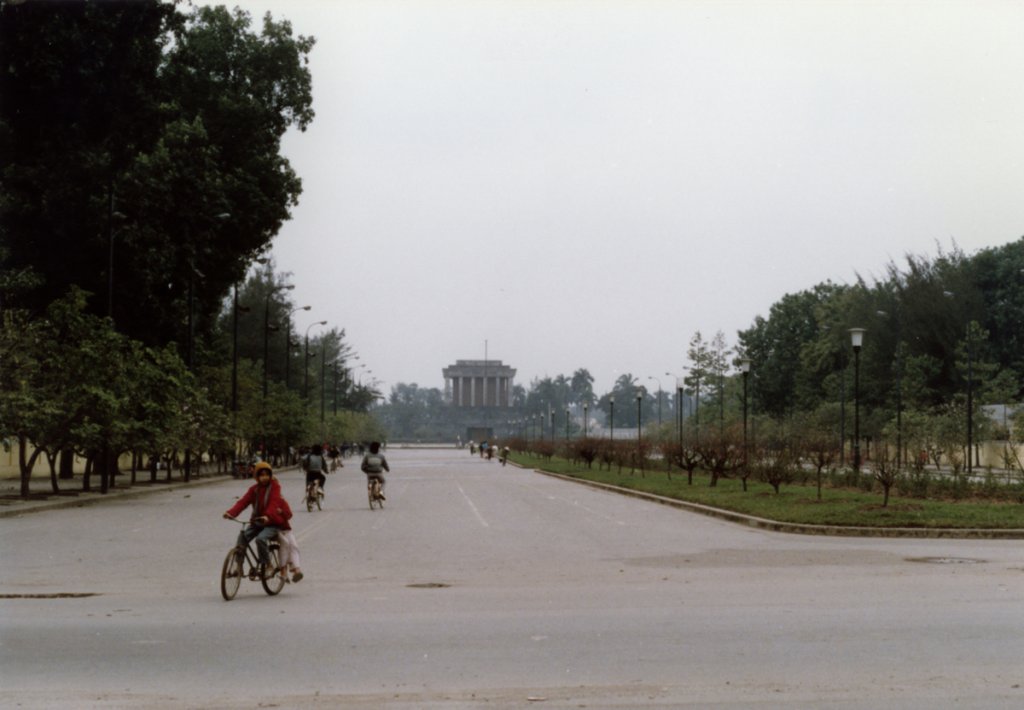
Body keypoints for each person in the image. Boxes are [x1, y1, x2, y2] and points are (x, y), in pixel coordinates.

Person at [223, 461, 285, 577]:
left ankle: (268, 565)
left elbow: (274, 503)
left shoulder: (275, 487)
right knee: (242, 537)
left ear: (270, 475)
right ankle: (238, 566)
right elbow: (243, 502)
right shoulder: (254, 489)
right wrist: (231, 513)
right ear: (257, 476)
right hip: (257, 522)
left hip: (272, 522)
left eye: (267, 474)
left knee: (260, 539)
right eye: (261, 475)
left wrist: (267, 515)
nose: (264, 478)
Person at [273, 495, 304, 583]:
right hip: (275, 530)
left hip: (286, 530)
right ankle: (283, 571)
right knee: (285, 544)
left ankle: (297, 570)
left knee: (294, 546)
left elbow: (289, 514)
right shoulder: (266, 502)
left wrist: (281, 512)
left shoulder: (281, 501)